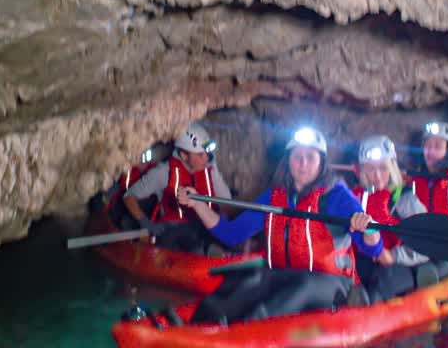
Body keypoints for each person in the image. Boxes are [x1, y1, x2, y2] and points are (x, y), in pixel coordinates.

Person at [178, 126, 382, 324]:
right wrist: (197, 204)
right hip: (286, 277)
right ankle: (199, 322)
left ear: (322, 163)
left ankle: (248, 329)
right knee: (246, 281)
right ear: (288, 161)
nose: (303, 163)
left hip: (332, 284)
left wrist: (369, 228)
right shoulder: (274, 198)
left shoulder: (337, 196)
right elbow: (231, 234)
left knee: (301, 288)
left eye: (310, 157)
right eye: (297, 156)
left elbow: (372, 248)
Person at [350, 135, 435, 301]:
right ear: (362, 171)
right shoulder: (357, 197)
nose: (377, 175)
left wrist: (394, 255)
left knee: (379, 287)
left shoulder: (405, 199)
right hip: (366, 262)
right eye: (370, 169)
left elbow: (428, 243)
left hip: (399, 264)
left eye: (383, 168)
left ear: (392, 167)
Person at [123, 123, 231, 253]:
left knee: (222, 243)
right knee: (188, 245)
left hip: (204, 225)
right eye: (200, 155)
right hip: (173, 230)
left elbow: (226, 201)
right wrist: (145, 222)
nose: (206, 158)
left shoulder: (210, 169)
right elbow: (129, 196)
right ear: (184, 155)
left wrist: (223, 223)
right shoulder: (164, 172)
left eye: (207, 153)